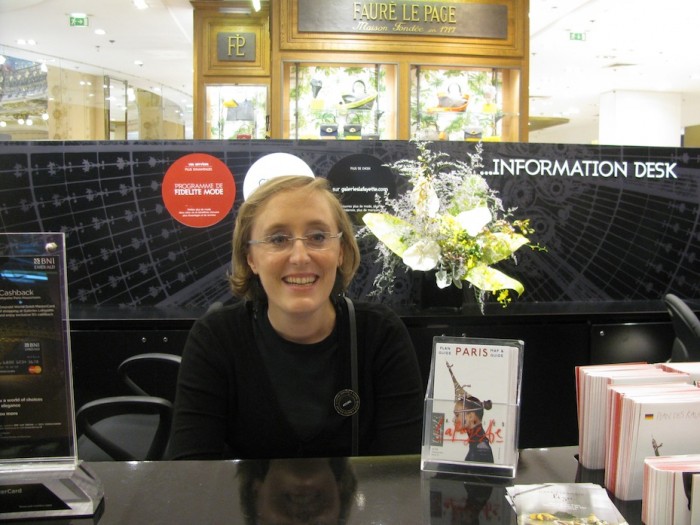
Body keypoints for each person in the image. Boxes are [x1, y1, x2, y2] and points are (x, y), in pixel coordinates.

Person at [168, 175, 424, 459]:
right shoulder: (215, 338)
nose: (300, 256)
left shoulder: (380, 335)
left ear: (340, 251)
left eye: (317, 237)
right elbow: (190, 475)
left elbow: (404, 475)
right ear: (251, 258)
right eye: (278, 239)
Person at [453, 395, 494, 463]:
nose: (454, 420)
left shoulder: (480, 448)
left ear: (471, 416)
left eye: (457, 415)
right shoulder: (477, 443)